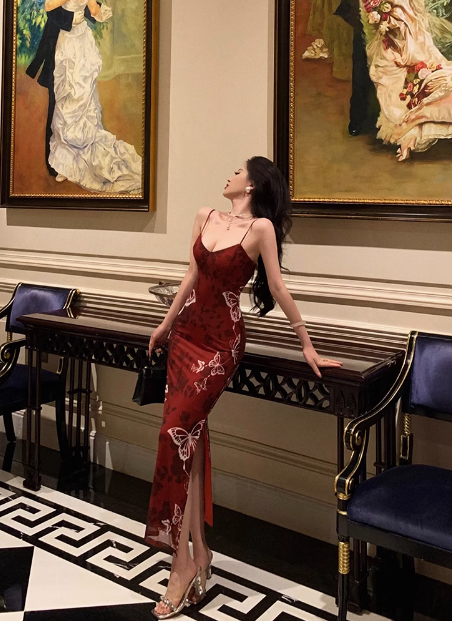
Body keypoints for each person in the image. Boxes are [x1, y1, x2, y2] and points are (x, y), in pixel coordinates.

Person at [145, 157, 343, 619]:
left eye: (237, 171)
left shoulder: (261, 229)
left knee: (174, 435)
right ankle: (198, 554)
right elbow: (190, 277)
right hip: (185, 337)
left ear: (251, 185)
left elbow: (278, 287)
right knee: (188, 438)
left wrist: (308, 345)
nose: (229, 175)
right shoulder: (204, 216)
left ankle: (181, 565)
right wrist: (165, 324)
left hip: (221, 344)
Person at [28, 0, 142, 192]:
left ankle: (79, 148)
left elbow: (94, 10)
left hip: (81, 42)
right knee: (64, 98)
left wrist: (97, 10)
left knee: (83, 96)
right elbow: (49, 6)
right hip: (64, 41)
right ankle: (61, 159)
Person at [363, 0, 452, 160]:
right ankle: (410, 129)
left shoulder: (412, 22)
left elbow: (420, 47)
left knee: (438, 88)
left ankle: (411, 128)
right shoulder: (393, 23)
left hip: (418, 58)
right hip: (399, 61)